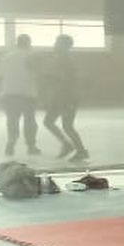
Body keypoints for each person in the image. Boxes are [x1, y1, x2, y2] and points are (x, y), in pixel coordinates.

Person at [40, 34, 88, 163]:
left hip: (67, 97)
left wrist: (49, 76)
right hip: (58, 96)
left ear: (65, 46)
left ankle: (81, 151)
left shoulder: (65, 60)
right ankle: (67, 144)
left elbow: (66, 80)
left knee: (67, 126)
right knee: (48, 122)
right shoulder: (58, 58)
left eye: (57, 42)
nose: (54, 44)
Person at [0, 34, 40, 157]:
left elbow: (0, 76)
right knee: (30, 121)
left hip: (9, 93)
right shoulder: (31, 56)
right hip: (27, 94)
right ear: (28, 43)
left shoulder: (6, 57)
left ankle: (11, 142)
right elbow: (37, 75)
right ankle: (31, 146)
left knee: (12, 120)